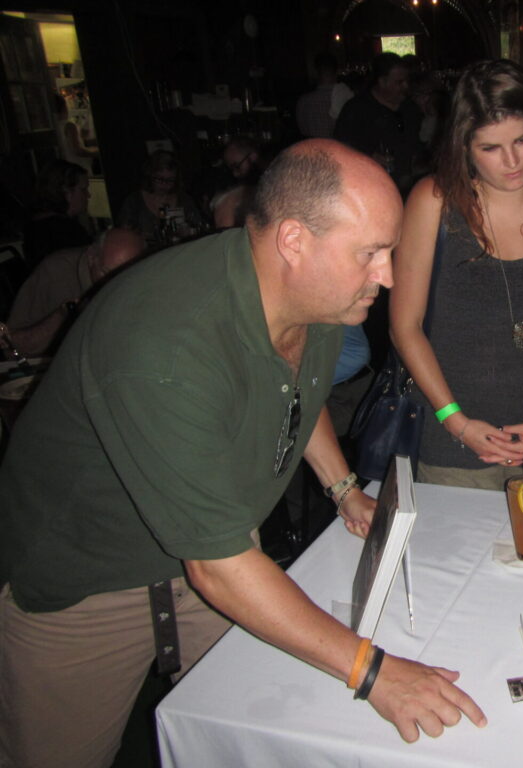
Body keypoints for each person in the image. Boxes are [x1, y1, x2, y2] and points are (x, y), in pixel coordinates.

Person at [0, 139, 486, 768]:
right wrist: (374, 672)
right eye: (371, 253)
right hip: (84, 582)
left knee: (260, 732)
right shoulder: (165, 345)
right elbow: (220, 568)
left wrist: (342, 488)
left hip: (215, 547)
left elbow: (293, 393)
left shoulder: (316, 296)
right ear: (293, 241)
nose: (388, 275)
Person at [390, 60, 523, 496]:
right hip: (454, 442)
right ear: (464, 147)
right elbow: (405, 327)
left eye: (522, 140)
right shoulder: (434, 203)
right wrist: (456, 421)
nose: (511, 161)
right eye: (490, 148)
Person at [4, 227, 145, 356]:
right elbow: (12, 345)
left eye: (124, 276)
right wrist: (62, 317)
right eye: (106, 273)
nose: (114, 283)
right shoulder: (55, 273)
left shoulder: (143, 277)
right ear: (91, 257)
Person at [333, 52, 423, 196]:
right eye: (399, 82)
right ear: (382, 82)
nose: (405, 86)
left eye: (406, 81)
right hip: (373, 189)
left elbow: (419, 144)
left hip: (411, 188)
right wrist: (369, 157)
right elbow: (341, 148)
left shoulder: (410, 108)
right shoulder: (357, 109)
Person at [116, 149, 204, 247]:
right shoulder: (134, 202)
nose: (164, 184)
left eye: (170, 180)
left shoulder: (184, 200)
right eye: (159, 179)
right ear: (149, 175)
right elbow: (123, 235)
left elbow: (198, 226)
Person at [22, 160, 93, 267]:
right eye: (83, 190)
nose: (88, 195)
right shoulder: (66, 231)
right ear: (66, 192)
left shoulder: (34, 226)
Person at [296, 52, 354, 139]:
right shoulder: (346, 97)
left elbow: (302, 132)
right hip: (338, 150)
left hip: (311, 149)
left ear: (316, 72)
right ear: (336, 72)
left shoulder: (303, 102)